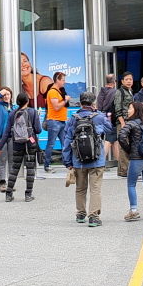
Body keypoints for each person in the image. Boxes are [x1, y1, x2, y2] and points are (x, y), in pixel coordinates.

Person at [62, 90, 111, 227]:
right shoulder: (98, 117)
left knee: (80, 188)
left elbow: (67, 141)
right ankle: (94, 217)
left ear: (80, 103)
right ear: (93, 103)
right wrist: (99, 112)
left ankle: (80, 214)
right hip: (96, 160)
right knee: (95, 188)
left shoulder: (73, 118)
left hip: (78, 160)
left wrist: (67, 161)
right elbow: (109, 128)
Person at [0, 92, 42, 203]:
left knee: (14, 169)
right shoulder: (32, 112)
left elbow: (7, 132)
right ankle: (28, 194)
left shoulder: (12, 114)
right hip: (30, 144)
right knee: (30, 169)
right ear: (27, 101)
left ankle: (9, 194)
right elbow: (39, 130)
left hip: (17, 143)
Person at [118, 102, 143, 221]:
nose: (128, 110)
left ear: (135, 110)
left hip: (137, 158)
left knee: (131, 184)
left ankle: (134, 211)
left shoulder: (131, 123)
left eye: (130, 108)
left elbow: (121, 136)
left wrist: (128, 149)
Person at [43, 71, 69, 173]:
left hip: (61, 121)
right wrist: (65, 100)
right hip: (54, 121)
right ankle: (47, 165)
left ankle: (68, 163)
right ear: (57, 80)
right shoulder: (53, 92)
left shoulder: (58, 91)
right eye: (63, 80)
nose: (64, 82)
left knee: (65, 143)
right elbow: (56, 107)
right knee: (51, 144)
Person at [113, 72, 136, 177]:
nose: (129, 81)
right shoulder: (120, 92)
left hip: (130, 121)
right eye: (126, 79)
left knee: (128, 145)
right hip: (124, 122)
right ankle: (125, 171)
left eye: (130, 79)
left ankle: (122, 170)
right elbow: (117, 108)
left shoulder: (130, 91)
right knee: (123, 146)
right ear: (122, 81)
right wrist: (122, 122)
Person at [95, 74, 117, 164]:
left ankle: (120, 163)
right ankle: (101, 162)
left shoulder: (101, 92)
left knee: (114, 141)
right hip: (110, 119)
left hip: (100, 117)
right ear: (114, 82)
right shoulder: (114, 92)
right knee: (108, 141)